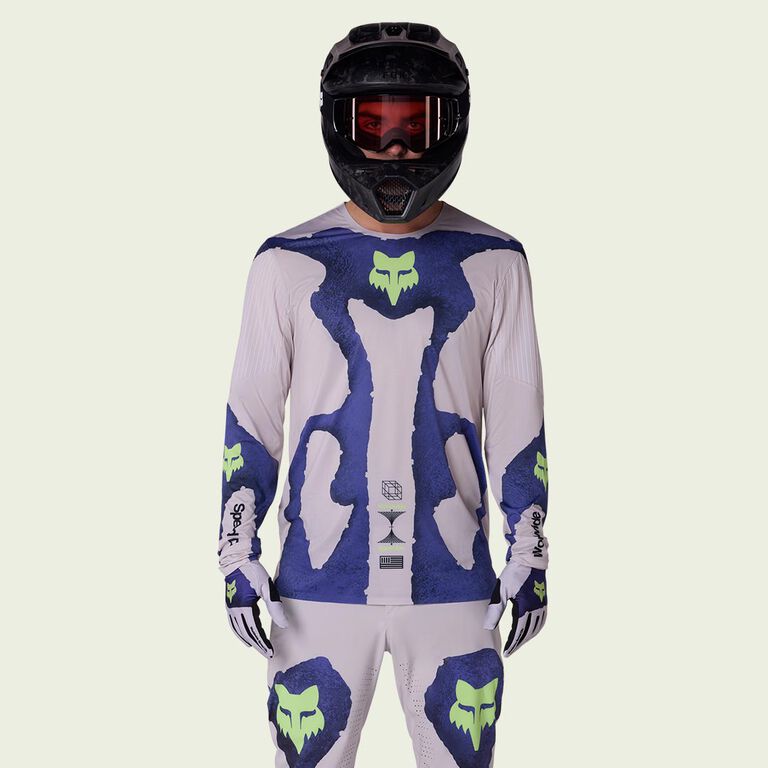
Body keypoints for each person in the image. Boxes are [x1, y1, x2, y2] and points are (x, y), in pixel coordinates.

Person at [217, 21, 549, 768]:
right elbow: (253, 417)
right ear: (339, 125)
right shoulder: (285, 263)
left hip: (454, 588)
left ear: (450, 124)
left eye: (414, 124)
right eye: (373, 125)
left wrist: (530, 551)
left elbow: (519, 420)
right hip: (318, 590)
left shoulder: (496, 261)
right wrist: (236, 548)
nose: (395, 149)